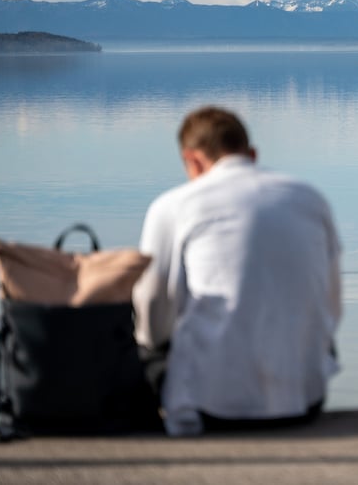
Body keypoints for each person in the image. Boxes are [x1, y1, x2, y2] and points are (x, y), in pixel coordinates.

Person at [132, 106, 342, 436]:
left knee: (140, 338)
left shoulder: (174, 206)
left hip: (211, 408)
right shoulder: (310, 198)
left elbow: (153, 306)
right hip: (305, 400)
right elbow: (332, 306)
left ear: (192, 160)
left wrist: (151, 345)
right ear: (252, 154)